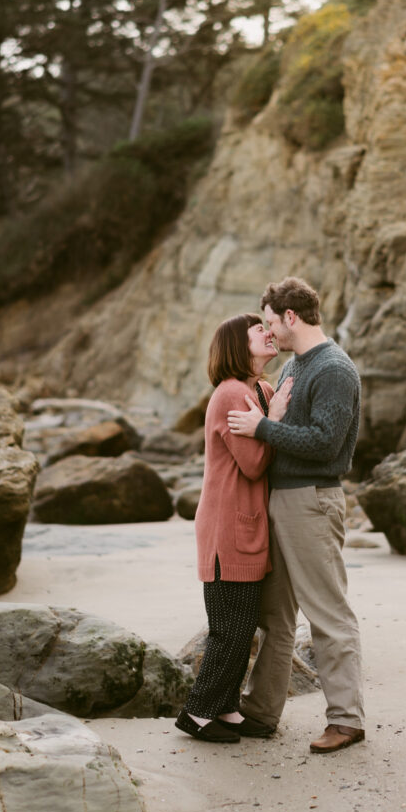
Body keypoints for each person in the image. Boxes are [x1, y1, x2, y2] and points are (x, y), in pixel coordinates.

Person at [227, 276, 365, 754]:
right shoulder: (291, 367)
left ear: (290, 317)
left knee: (327, 613)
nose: (268, 332)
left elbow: (326, 443)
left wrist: (262, 427)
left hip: (312, 501)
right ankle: (261, 712)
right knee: (275, 615)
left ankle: (346, 721)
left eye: (270, 322)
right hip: (281, 501)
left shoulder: (334, 370)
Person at [175, 312, 293, 743]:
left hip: (248, 524)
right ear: (236, 345)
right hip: (227, 526)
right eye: (257, 330)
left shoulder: (259, 389)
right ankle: (197, 713)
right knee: (231, 628)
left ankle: (225, 707)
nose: (267, 332)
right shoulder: (229, 394)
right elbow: (254, 462)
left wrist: (272, 413)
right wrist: (275, 420)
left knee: (243, 625)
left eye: (268, 326)